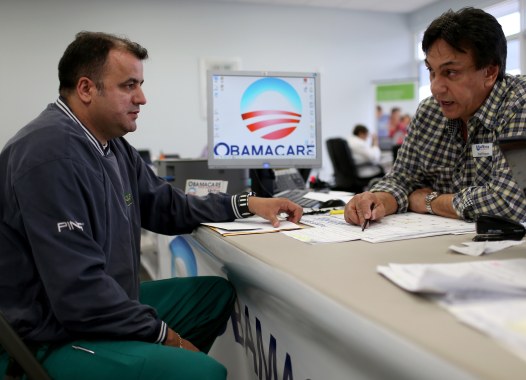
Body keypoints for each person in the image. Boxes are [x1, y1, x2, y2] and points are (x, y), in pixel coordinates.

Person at [0, 32, 302, 380]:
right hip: (50, 336)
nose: (142, 98)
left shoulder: (111, 147)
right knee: (202, 373)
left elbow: (168, 206)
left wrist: (247, 202)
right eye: (129, 85)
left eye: (140, 84)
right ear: (86, 89)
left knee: (212, 296)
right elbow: (78, 294)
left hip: (94, 306)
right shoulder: (47, 155)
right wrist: (167, 339)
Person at [345, 7, 526, 229]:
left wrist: (429, 201)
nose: (436, 87)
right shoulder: (430, 111)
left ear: (490, 72)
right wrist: (376, 200)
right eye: (431, 71)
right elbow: (400, 180)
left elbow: (514, 204)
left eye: (451, 73)